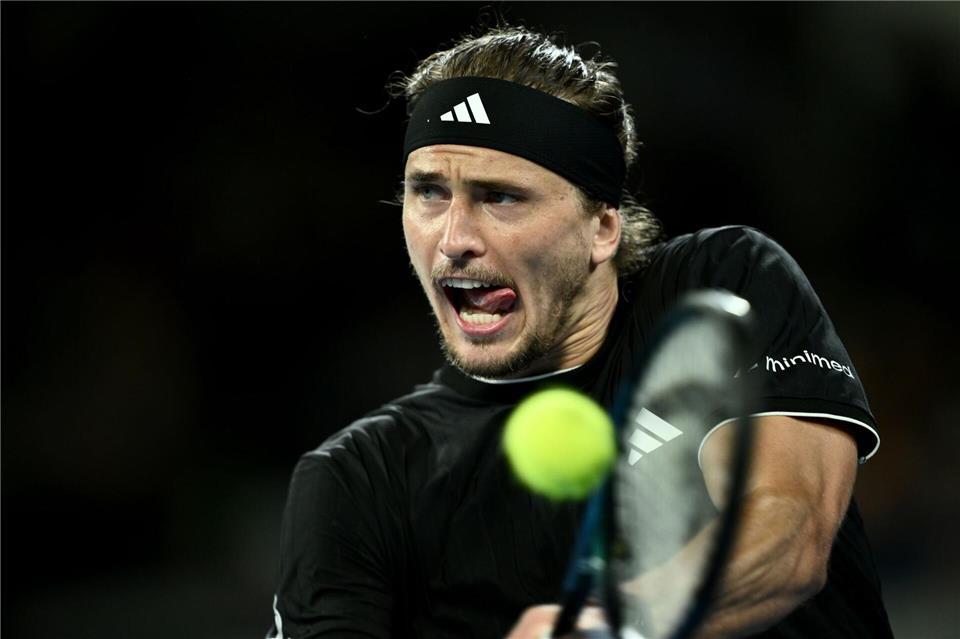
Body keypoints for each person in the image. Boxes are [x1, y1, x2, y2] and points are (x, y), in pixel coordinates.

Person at [268, 26, 893, 638]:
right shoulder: (356, 482)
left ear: (602, 228)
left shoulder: (720, 284)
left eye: (501, 197)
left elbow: (788, 532)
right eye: (428, 192)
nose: (453, 239)